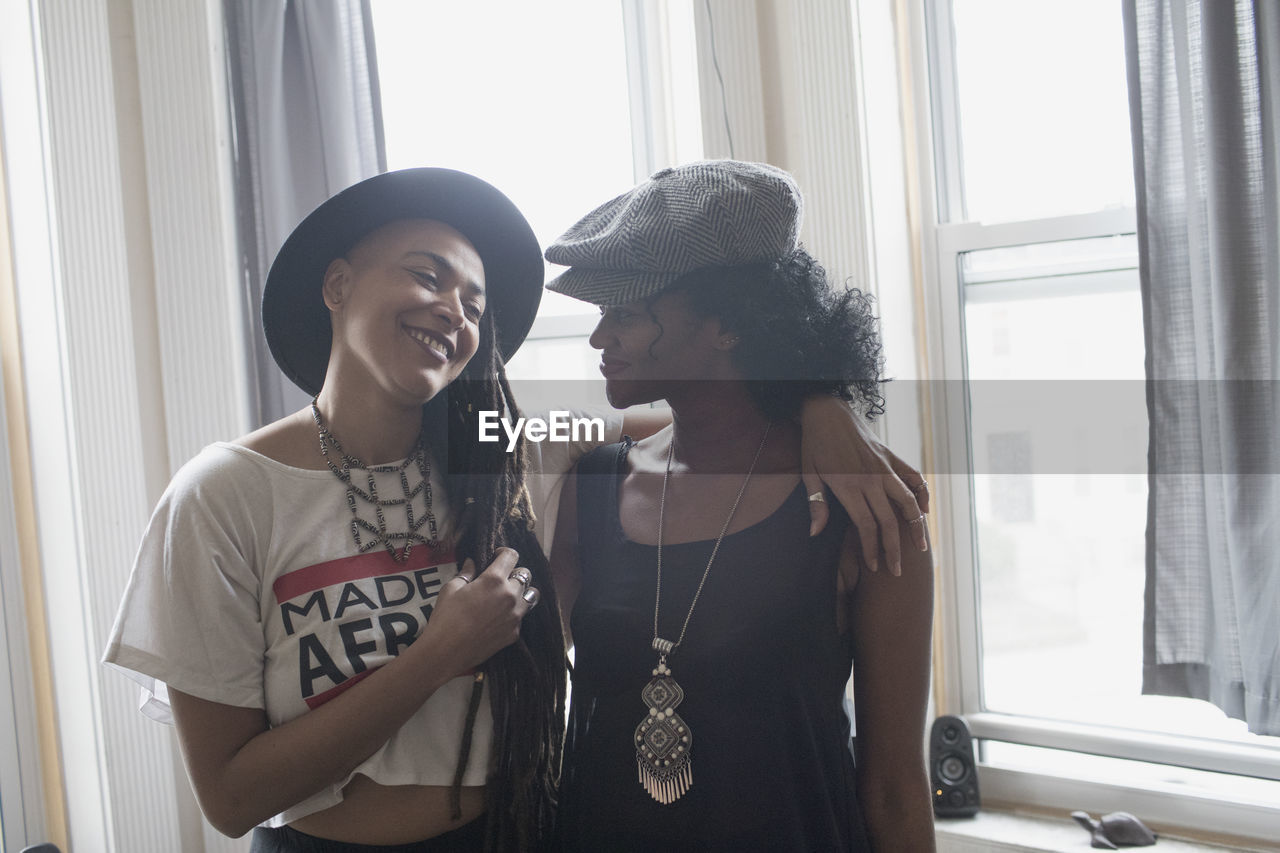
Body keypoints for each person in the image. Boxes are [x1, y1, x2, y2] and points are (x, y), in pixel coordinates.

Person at [102, 166, 927, 852]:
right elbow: (229, 797)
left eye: (474, 301)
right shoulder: (221, 495)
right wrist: (438, 652)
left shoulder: (510, 448)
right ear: (338, 282)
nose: (452, 310)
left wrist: (823, 402)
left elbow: (690, 421)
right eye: (427, 274)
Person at [545, 160, 936, 851]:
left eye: (627, 313)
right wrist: (821, 400)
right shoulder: (594, 488)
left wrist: (819, 405)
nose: (600, 338)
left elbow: (895, 790)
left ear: (727, 324)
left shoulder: (864, 508)